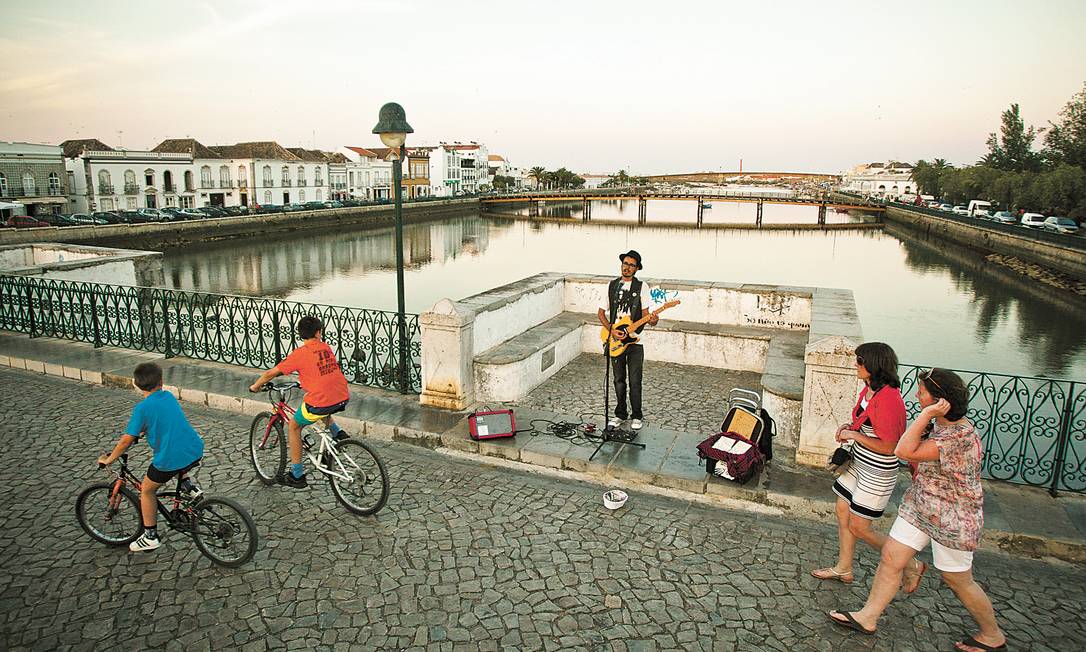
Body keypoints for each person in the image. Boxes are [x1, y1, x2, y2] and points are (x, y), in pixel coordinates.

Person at [829, 368, 1006, 652]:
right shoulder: (943, 426)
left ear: (940, 401)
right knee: (891, 557)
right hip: (921, 506)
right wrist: (929, 416)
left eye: (921, 393)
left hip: (952, 518)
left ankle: (992, 635)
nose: (915, 395)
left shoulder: (957, 436)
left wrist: (925, 415)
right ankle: (868, 617)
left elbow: (903, 451)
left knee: (957, 579)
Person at [811, 342, 921, 587]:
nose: (856, 365)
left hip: (877, 469)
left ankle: (910, 563)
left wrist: (855, 436)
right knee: (842, 510)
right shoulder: (869, 389)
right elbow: (865, 422)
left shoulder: (890, 398)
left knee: (860, 527)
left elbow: (892, 446)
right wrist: (849, 429)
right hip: (859, 462)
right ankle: (844, 568)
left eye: (859, 361)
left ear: (873, 365)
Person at [97, 362, 205, 553]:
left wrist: (109, 459)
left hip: (169, 458)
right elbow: (165, 420)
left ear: (136, 384)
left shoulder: (142, 408)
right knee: (180, 461)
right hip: (194, 448)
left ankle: (150, 537)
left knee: (147, 490)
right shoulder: (169, 397)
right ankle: (189, 487)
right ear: (161, 381)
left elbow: (126, 441)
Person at [250, 315, 349, 488]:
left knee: (294, 426)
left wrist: (255, 386)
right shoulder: (325, 347)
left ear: (301, 334)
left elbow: (270, 374)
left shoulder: (300, 354)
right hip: (341, 397)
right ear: (319, 332)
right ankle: (337, 433)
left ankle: (297, 475)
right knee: (310, 400)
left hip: (321, 401)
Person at [596, 250, 659, 432]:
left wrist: (654, 320)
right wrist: (611, 330)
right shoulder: (612, 286)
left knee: (635, 380)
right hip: (615, 340)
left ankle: (637, 415)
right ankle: (620, 413)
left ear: (636, 268)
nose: (627, 267)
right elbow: (601, 313)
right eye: (625, 263)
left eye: (631, 264)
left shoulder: (642, 287)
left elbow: (647, 316)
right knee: (618, 380)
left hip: (635, 341)